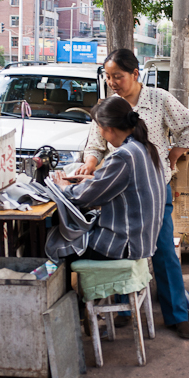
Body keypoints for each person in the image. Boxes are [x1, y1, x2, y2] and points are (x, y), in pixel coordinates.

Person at [75, 49, 189, 339]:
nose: (112, 82)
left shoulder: (158, 98)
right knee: (118, 247)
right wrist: (90, 164)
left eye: (117, 76)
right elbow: (95, 142)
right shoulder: (110, 104)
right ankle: (122, 309)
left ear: (135, 74)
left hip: (155, 190)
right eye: (108, 77)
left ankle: (177, 315)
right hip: (118, 191)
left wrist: (173, 156)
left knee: (164, 252)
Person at [49, 96, 166, 262]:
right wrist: (92, 178)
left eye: (98, 127)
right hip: (141, 240)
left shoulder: (124, 156)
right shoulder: (145, 147)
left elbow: (84, 197)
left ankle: (65, 287)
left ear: (108, 129)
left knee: (56, 244)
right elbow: (121, 183)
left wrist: (63, 186)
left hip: (123, 245)